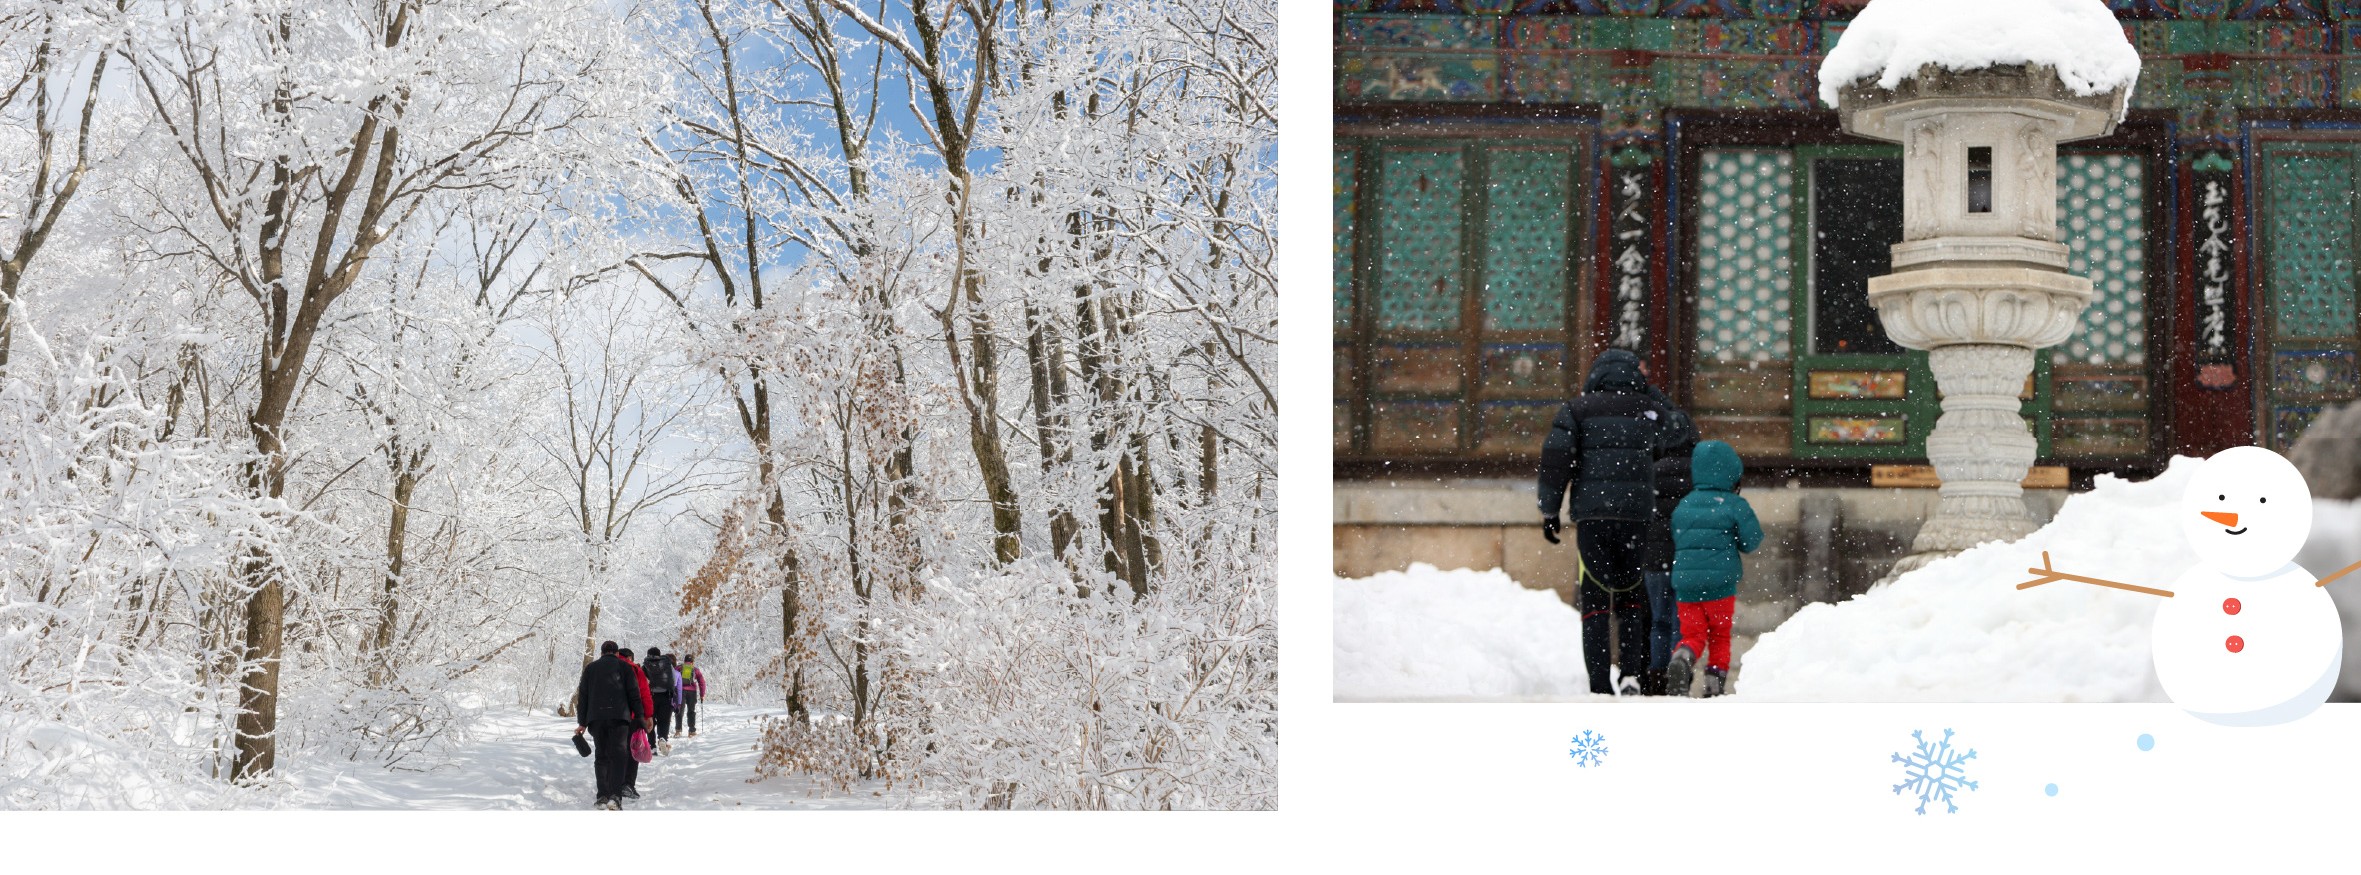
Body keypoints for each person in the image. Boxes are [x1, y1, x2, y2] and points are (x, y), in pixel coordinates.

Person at [1536, 348, 1693, 696]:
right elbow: (1681, 431)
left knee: (1594, 598)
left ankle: (1598, 684)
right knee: (1630, 597)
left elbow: (1555, 460)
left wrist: (1550, 511)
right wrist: (1651, 396)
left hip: (1592, 517)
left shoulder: (1576, 410)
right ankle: (1631, 676)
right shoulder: (1647, 410)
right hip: (1636, 515)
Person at [1667, 440, 1763, 698]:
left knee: (1693, 634)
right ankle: (1714, 685)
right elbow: (1752, 541)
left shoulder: (1684, 504)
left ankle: (1683, 656)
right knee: (1720, 635)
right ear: (1731, 474)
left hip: (1686, 583)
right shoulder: (1733, 505)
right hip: (1720, 584)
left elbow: (1678, 537)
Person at [1641, 437, 1698, 696]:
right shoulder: (1698, 474)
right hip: (1685, 559)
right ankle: (1679, 672)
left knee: (1658, 622)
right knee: (1681, 622)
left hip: (1654, 560)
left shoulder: (1650, 470)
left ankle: (1656, 677)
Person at [574, 640, 643, 810]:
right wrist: (640, 717)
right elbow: (634, 694)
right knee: (619, 756)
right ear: (617, 653)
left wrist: (582, 722)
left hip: (596, 719)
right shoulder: (625, 667)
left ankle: (602, 795)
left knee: (601, 756)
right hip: (620, 718)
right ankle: (615, 797)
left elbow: (583, 696)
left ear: (601, 652)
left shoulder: (591, 668)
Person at [617, 647, 656, 797]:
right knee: (632, 750)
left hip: (609, 717)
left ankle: (612, 783)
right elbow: (645, 694)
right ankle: (627, 784)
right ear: (630, 658)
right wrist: (648, 716)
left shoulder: (604, 667)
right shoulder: (634, 669)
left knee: (613, 751)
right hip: (632, 717)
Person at [644, 646, 678, 749]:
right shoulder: (667, 664)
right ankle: (662, 738)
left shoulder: (645, 665)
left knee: (651, 721)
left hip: (651, 697)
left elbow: (643, 683)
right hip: (665, 696)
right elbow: (673, 679)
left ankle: (652, 745)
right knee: (664, 721)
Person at [676, 655, 705, 737]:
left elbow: (673, 678)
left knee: (679, 710)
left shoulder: (679, 668)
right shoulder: (695, 670)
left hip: (680, 691)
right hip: (692, 692)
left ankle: (678, 730)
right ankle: (691, 731)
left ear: (684, 661)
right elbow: (702, 682)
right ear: (692, 662)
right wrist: (702, 694)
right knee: (691, 711)